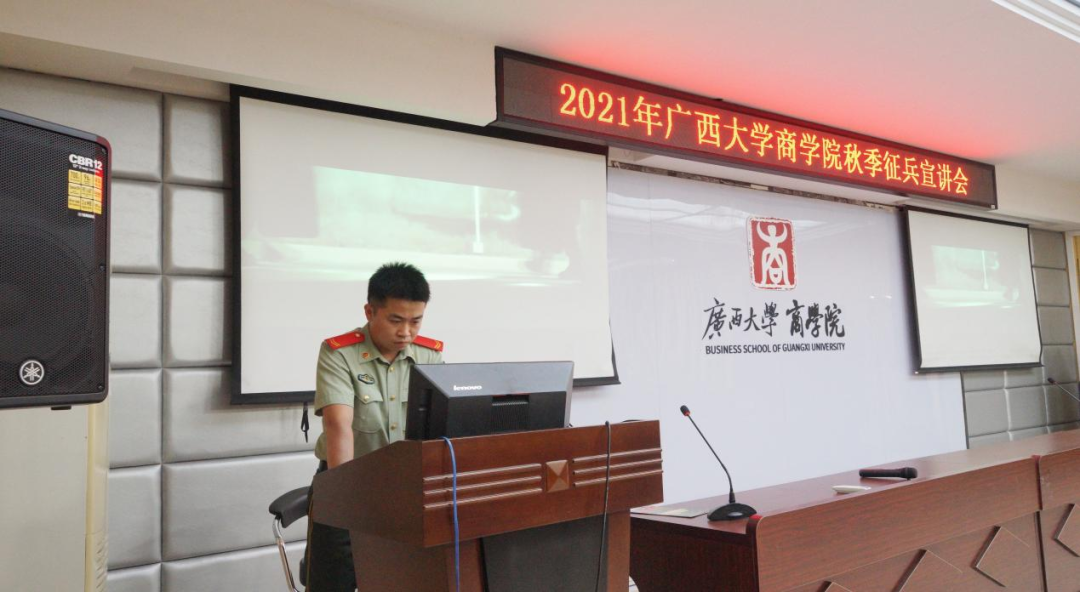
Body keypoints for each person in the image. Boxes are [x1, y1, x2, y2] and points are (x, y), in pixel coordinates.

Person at [303, 262, 443, 591]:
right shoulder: (339, 353)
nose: (406, 332)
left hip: (406, 489)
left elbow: (438, 426)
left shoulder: (429, 355)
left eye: (415, 321)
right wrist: (348, 501)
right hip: (347, 483)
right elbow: (339, 427)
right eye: (395, 320)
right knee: (333, 583)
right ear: (370, 311)